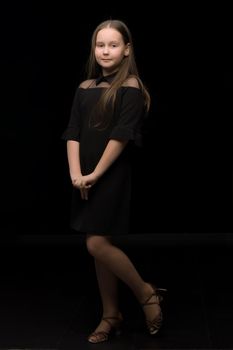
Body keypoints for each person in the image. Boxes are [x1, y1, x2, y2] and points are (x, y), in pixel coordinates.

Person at [62, 19, 166, 344]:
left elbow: (121, 137)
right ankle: (111, 315)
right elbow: (73, 132)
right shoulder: (84, 88)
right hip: (85, 176)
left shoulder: (131, 87)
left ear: (126, 50)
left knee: (95, 243)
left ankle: (146, 293)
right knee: (99, 245)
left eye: (113, 45)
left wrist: (94, 174)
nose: (105, 51)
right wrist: (76, 173)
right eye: (100, 45)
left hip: (110, 175)